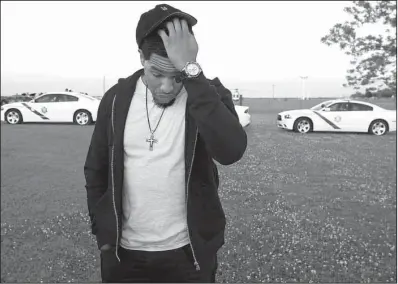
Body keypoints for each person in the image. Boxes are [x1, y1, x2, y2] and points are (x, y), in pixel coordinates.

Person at [84, 3, 247, 283]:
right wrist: (103, 233)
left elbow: (231, 151)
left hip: (188, 255)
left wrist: (193, 75)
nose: (167, 87)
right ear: (141, 58)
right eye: (157, 74)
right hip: (123, 255)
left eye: (178, 76)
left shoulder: (208, 94)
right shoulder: (115, 99)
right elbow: (95, 168)